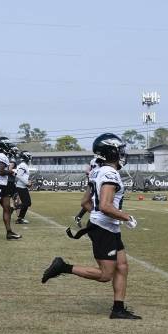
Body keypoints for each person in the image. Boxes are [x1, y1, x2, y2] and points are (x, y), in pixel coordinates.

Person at [42, 133, 141, 319]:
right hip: (104, 229)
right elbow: (104, 206)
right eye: (119, 150)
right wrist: (126, 217)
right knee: (105, 275)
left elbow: (86, 202)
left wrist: (100, 217)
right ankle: (63, 267)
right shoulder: (109, 173)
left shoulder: (97, 172)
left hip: (105, 227)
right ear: (110, 152)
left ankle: (118, 309)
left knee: (122, 266)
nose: (122, 154)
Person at [14, 150, 33, 224]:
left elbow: (20, 175)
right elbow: (19, 175)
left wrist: (27, 183)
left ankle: (20, 218)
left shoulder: (23, 165)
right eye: (29, 157)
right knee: (27, 203)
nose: (30, 158)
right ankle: (13, 209)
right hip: (21, 186)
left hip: (22, 186)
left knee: (27, 203)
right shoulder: (23, 165)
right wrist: (27, 183)